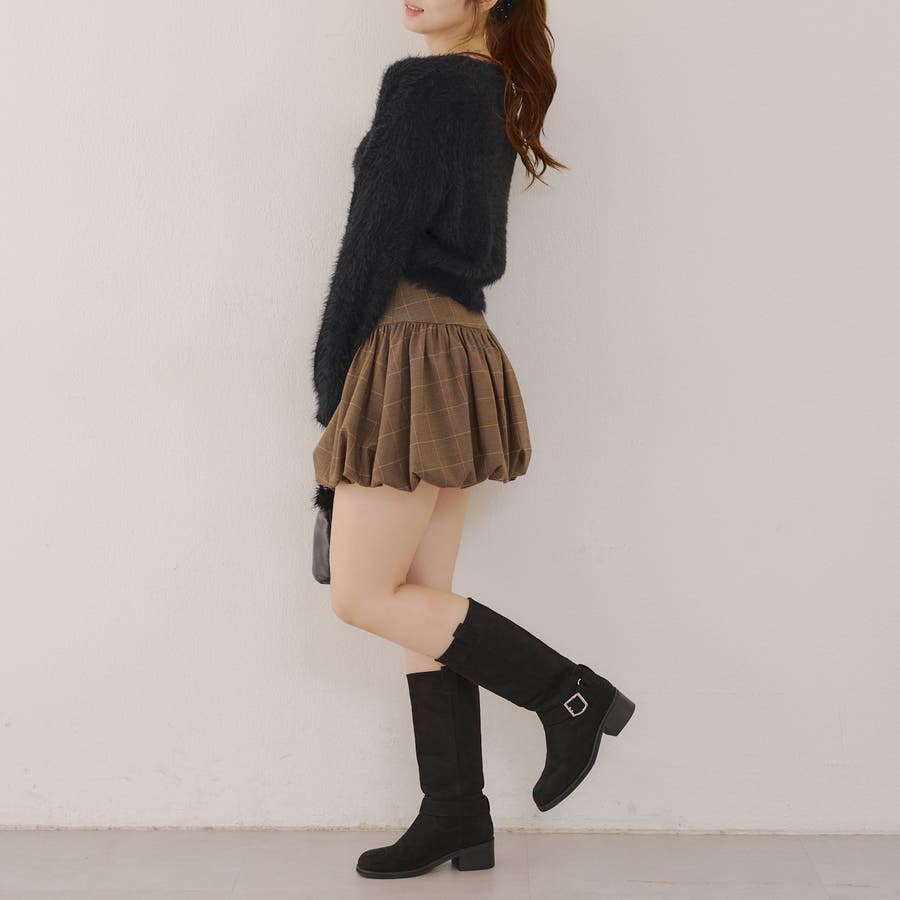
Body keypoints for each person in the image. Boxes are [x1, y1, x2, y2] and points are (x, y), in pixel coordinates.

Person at [309, 0, 636, 879]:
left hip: (407, 346)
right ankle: (456, 811)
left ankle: (569, 694)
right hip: (458, 347)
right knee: (420, 596)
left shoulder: (424, 88)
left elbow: (371, 244)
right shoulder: (493, 90)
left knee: (359, 596)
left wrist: (332, 384)